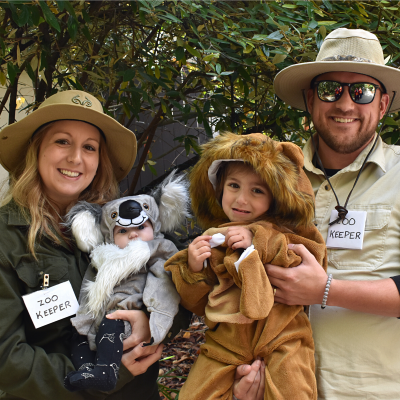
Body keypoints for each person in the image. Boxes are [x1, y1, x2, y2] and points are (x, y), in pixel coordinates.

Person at [234, 28, 400, 400]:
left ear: (383, 104)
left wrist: (325, 290)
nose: (345, 104)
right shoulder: (271, 178)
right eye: (330, 90)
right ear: (310, 99)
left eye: (362, 91)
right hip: (278, 385)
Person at [0, 90, 190, 400]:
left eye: (89, 147)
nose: (76, 158)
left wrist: (150, 321)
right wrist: (100, 376)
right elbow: (7, 359)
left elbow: (179, 288)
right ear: (37, 150)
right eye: (62, 141)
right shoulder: (7, 238)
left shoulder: (119, 219)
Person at [165, 132, 327, 399]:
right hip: (226, 342)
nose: (241, 199)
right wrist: (193, 269)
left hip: (282, 337)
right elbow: (198, 304)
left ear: (274, 197)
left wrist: (259, 241)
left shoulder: (282, 232)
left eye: (257, 190)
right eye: (233, 186)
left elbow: (307, 258)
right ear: (219, 188)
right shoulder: (214, 237)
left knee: (293, 389)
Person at [64, 173, 188, 391]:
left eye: (141, 227)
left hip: (128, 313)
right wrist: (85, 317)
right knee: (78, 336)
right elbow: (90, 286)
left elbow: (165, 284)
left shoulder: (159, 251)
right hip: (102, 314)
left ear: (155, 226)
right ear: (109, 236)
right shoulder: (103, 256)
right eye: (122, 231)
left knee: (111, 326)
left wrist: (155, 320)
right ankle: (86, 370)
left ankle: (105, 371)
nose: (133, 235)